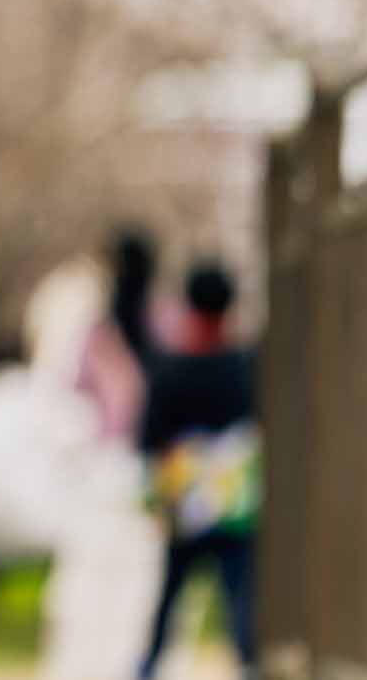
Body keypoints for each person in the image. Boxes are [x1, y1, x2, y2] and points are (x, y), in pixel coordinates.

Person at [137, 261, 258, 680]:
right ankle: (248, 666)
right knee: (240, 598)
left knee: (169, 599)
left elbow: (149, 441)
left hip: (184, 505)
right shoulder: (245, 366)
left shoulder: (170, 371)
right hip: (234, 504)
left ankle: (148, 668)